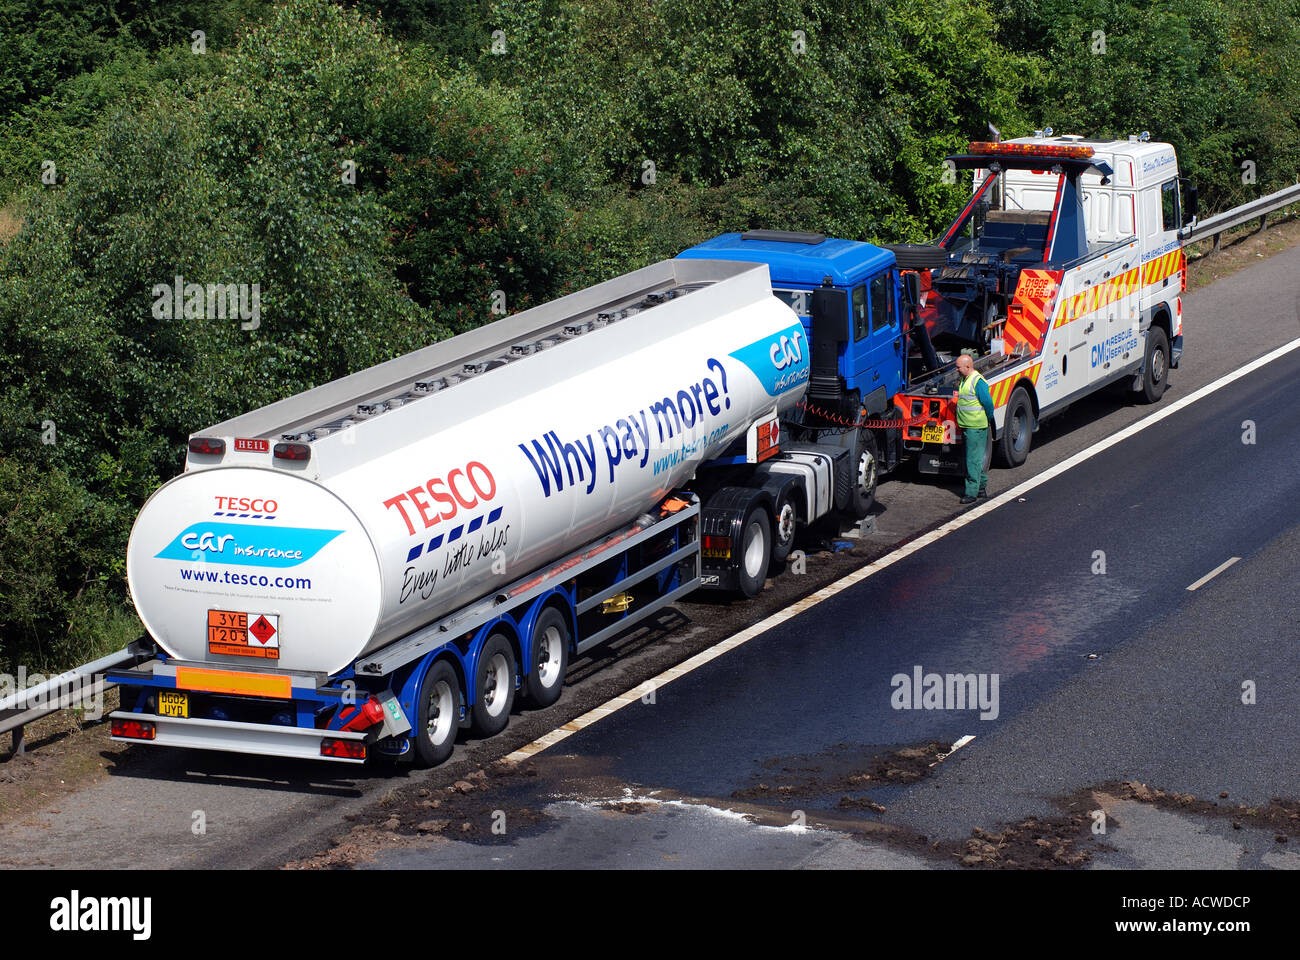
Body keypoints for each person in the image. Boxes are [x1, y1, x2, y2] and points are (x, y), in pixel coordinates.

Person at [954, 353, 995, 504]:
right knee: (973, 459)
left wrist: (988, 419)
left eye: (958, 367)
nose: (956, 370)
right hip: (968, 426)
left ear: (968, 366)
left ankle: (971, 493)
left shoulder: (977, 381)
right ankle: (981, 487)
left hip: (976, 427)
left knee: (972, 461)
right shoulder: (965, 379)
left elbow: (988, 404)